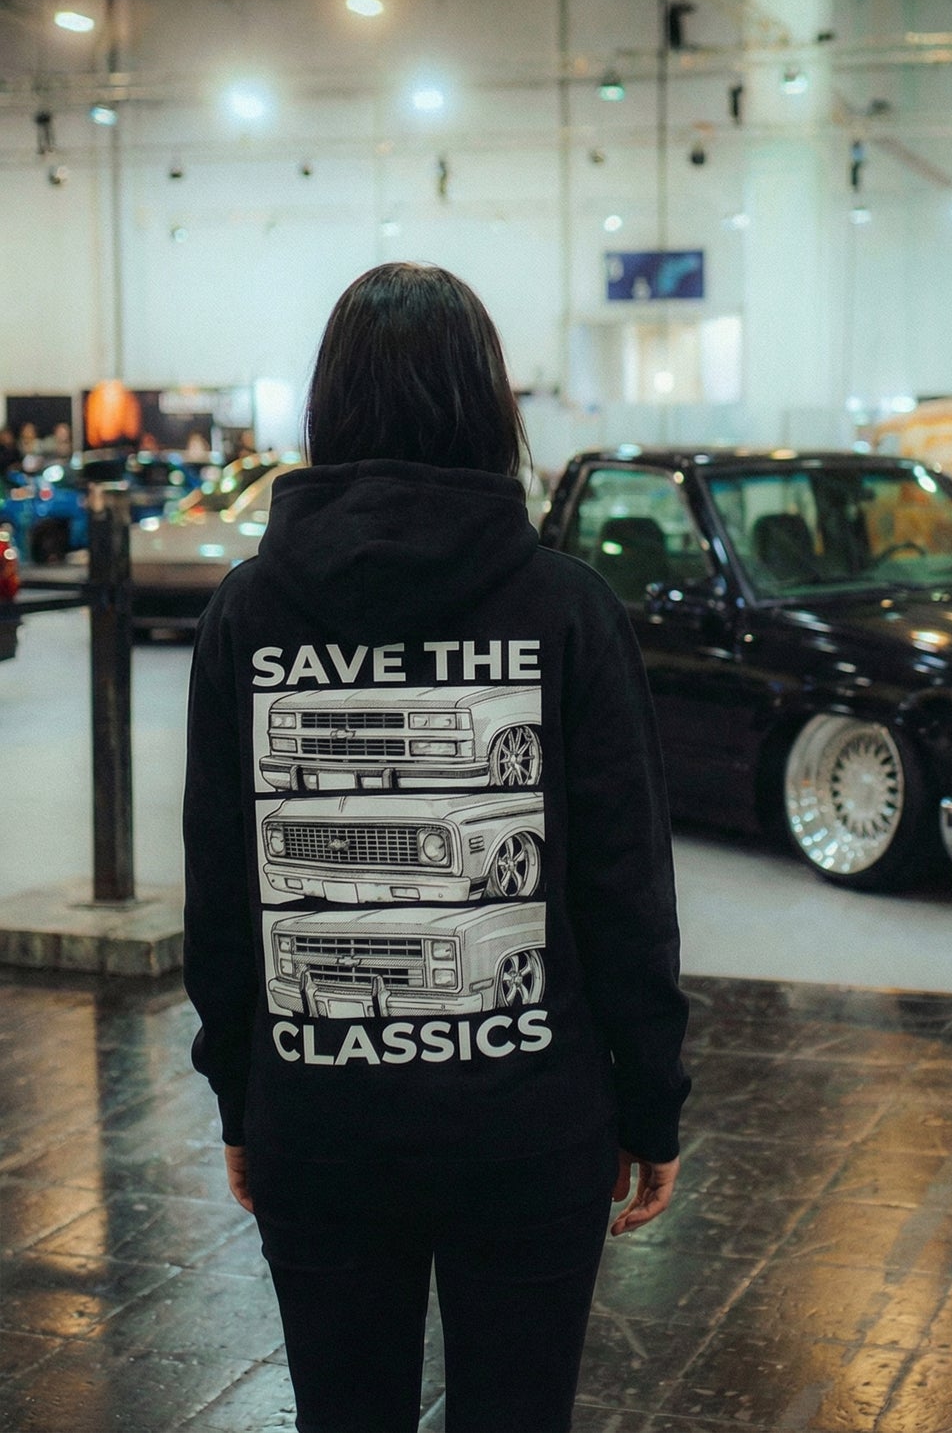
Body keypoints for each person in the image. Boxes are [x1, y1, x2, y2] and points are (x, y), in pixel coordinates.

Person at [183, 262, 690, 1433]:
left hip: (321, 1116)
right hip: (527, 1122)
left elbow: (224, 889)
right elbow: (625, 885)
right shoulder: (567, 608)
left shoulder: (249, 614)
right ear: (487, 403)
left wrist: (242, 1099)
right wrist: (649, 1102)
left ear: (329, 406)